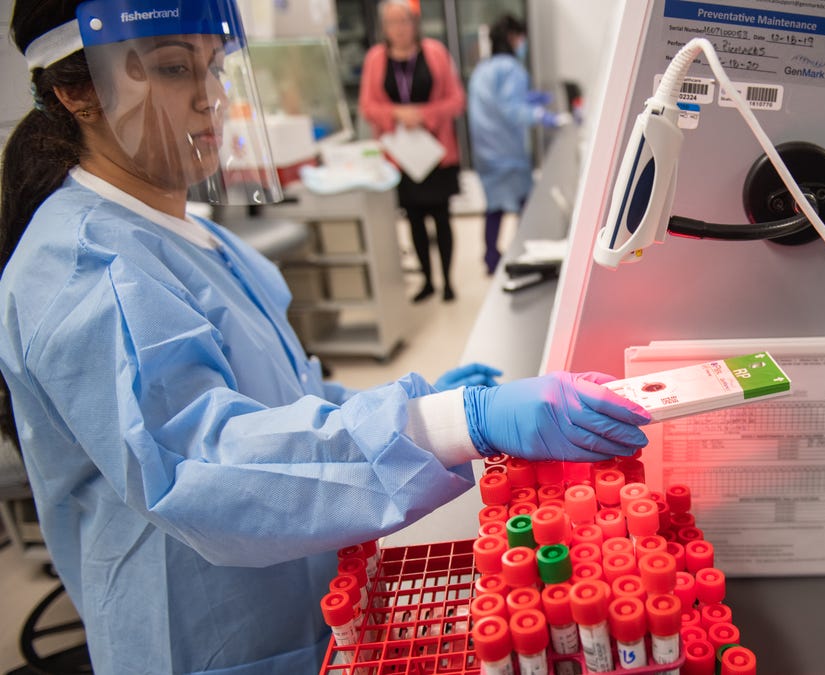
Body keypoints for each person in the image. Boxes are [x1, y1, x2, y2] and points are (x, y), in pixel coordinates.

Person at [0, 2, 650, 673]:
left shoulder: (186, 232)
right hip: (205, 639)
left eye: (215, 67)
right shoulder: (86, 270)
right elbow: (207, 462)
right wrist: (462, 422)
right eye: (171, 68)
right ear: (76, 92)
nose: (209, 97)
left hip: (300, 602)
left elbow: (282, 402)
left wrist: (421, 402)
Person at [359, 0, 464, 302]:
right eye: (392, 23)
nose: (399, 29)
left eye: (403, 22)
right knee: (414, 220)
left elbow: (456, 100)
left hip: (435, 152)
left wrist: (424, 113)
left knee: (442, 218)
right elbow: (368, 106)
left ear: (414, 24)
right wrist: (395, 114)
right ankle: (427, 281)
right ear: (384, 27)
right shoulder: (376, 59)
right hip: (401, 155)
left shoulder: (435, 53)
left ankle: (448, 281)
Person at [467, 14, 566, 276]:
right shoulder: (511, 69)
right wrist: (545, 117)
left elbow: (500, 103)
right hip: (507, 153)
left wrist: (531, 99)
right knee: (525, 206)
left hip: (486, 153)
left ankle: (490, 257)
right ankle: (526, 253)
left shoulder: (483, 69)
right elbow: (512, 110)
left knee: (494, 206)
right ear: (513, 38)